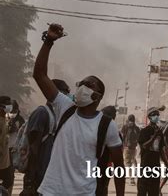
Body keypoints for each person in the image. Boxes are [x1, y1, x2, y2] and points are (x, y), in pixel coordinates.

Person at [33, 23, 125, 196]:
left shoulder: (107, 125)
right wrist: (49, 42)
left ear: (97, 96)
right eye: (81, 83)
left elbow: (119, 168)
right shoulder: (65, 107)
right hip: (50, 192)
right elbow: (39, 75)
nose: (82, 87)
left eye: (88, 85)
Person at [21, 79, 70, 196]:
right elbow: (34, 148)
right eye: (65, 93)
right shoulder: (42, 113)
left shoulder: (55, 115)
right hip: (37, 176)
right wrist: (30, 180)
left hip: (47, 176)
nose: (67, 97)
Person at [137, 108, 168, 196]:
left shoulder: (160, 132)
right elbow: (144, 146)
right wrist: (154, 136)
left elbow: (161, 150)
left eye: (158, 115)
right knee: (142, 191)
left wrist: (167, 164)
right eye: (155, 115)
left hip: (155, 166)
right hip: (145, 165)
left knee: (154, 191)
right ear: (150, 117)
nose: (157, 117)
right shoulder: (144, 131)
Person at [96, 105, 121, 196]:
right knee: (102, 188)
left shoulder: (110, 129)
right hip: (103, 166)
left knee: (101, 188)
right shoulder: (113, 129)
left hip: (103, 166)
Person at [121, 114, 140, 185]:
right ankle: (131, 178)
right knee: (131, 162)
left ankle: (131, 178)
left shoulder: (126, 127)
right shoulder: (136, 128)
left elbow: (122, 138)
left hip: (130, 148)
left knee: (129, 163)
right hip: (131, 148)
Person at [0, 96, 14, 195]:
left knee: (9, 180)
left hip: (5, 159)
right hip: (1, 158)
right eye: (7, 103)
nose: (9, 106)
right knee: (8, 180)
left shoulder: (5, 119)